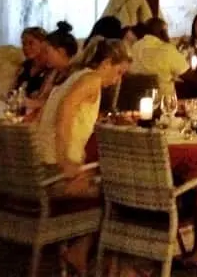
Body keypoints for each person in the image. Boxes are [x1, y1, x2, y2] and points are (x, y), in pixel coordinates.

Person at [36, 37, 131, 274]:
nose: (117, 80)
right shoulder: (92, 80)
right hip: (55, 175)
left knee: (107, 182)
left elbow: (70, 111)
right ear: (107, 63)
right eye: (119, 72)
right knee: (122, 194)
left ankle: (82, 250)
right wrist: (66, 160)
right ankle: (112, 265)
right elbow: (65, 114)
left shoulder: (73, 77)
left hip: (41, 168)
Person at [25, 22, 80, 114]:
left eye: (46, 52)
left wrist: (32, 103)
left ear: (61, 52)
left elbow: (62, 105)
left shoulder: (76, 75)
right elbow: (42, 99)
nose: (44, 56)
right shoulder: (53, 73)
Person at [129, 17, 189, 99]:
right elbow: (189, 76)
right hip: (163, 103)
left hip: (136, 101)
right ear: (163, 32)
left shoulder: (135, 46)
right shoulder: (167, 49)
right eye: (167, 31)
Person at [14, 27, 50, 97]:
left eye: (31, 43)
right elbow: (12, 90)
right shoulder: (24, 66)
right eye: (24, 44)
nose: (26, 48)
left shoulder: (49, 68)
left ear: (43, 44)